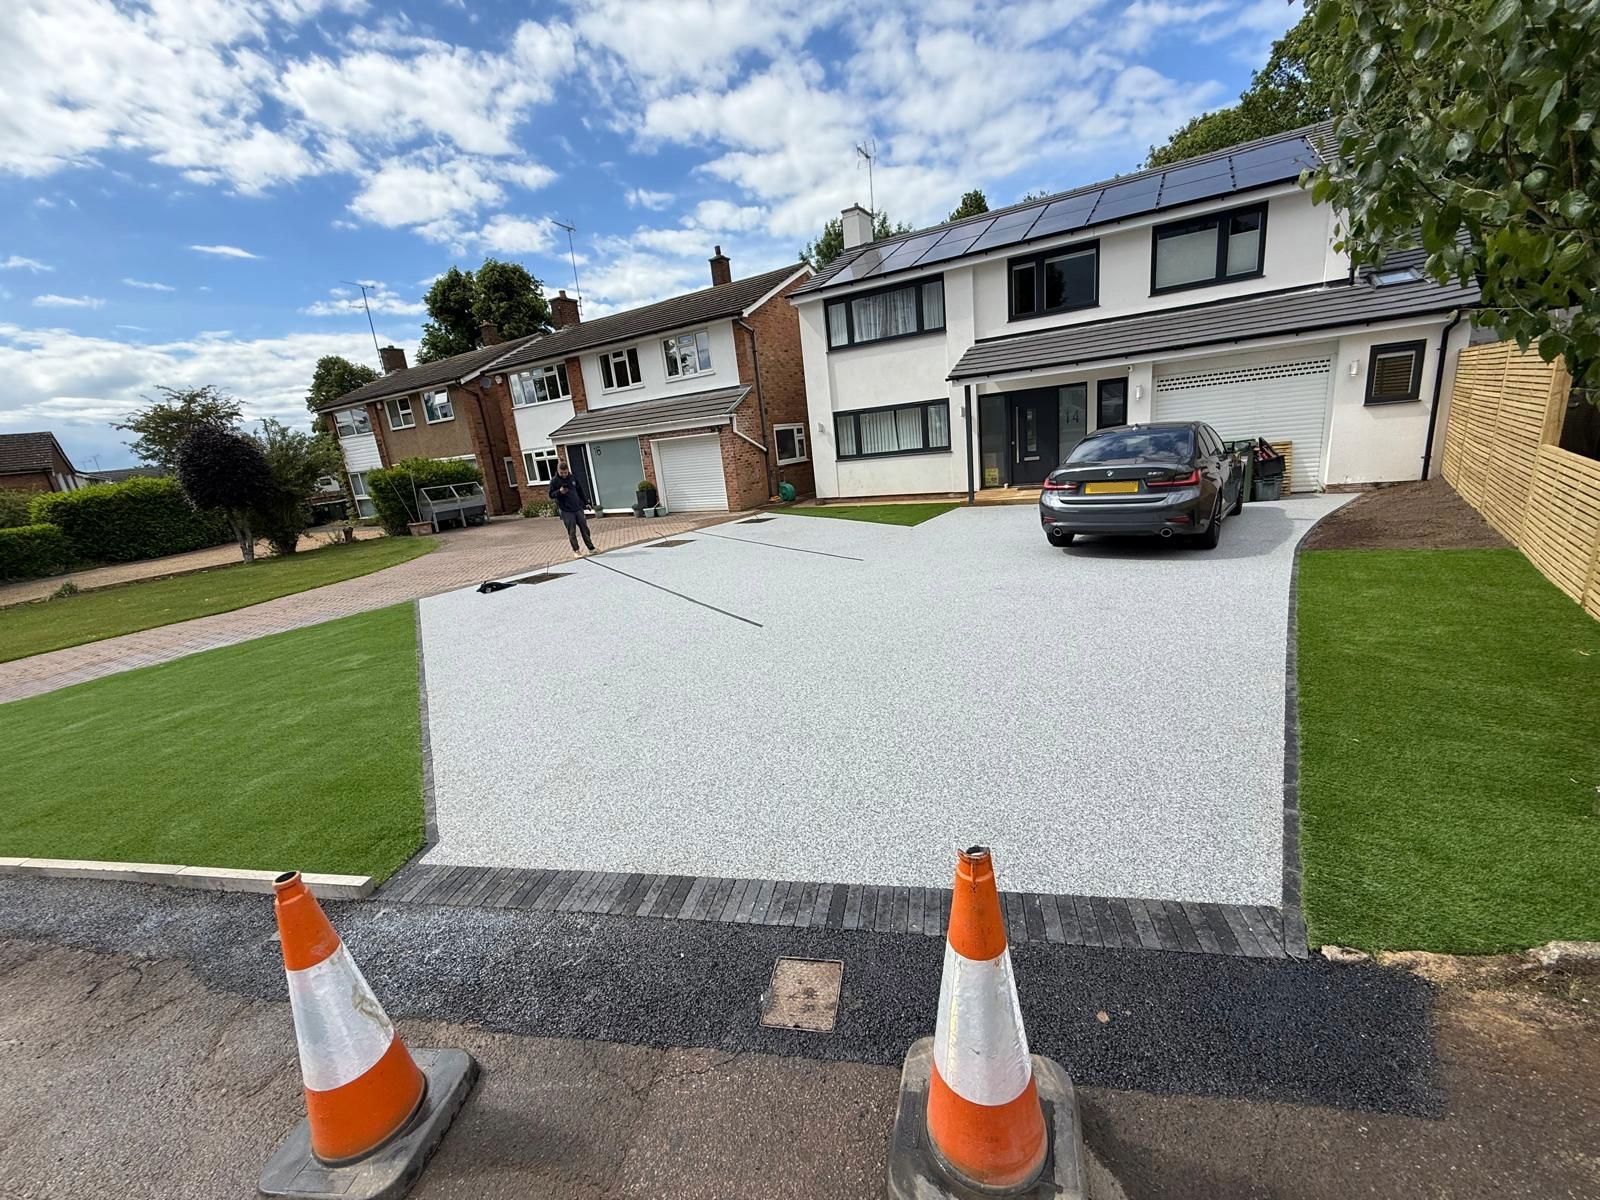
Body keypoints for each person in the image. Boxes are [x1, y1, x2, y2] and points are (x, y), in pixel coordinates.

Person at [549, 461, 597, 556]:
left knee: (585, 529)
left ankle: (591, 548)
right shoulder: (554, 481)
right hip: (566, 510)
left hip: (577, 508)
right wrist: (559, 492)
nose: (563, 475)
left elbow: (580, 491)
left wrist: (586, 503)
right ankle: (576, 551)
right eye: (561, 473)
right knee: (572, 531)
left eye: (565, 472)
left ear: (568, 471)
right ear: (558, 471)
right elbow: (551, 495)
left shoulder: (573, 478)